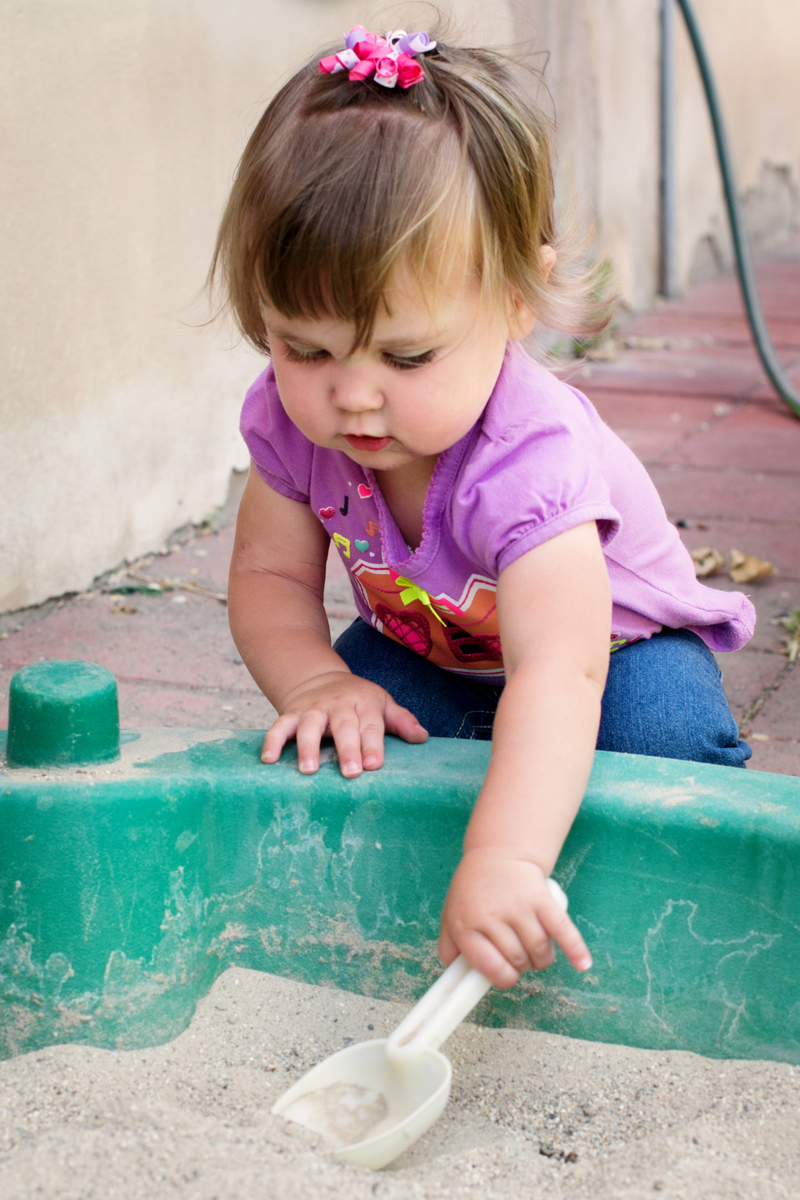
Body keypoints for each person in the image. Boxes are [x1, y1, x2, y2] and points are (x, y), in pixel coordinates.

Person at [210, 26, 755, 991]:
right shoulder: (295, 425)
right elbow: (266, 579)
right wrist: (311, 685)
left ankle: (632, 883)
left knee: (659, 749)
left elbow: (559, 671)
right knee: (346, 743)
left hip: (609, 654)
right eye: (306, 348)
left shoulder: (527, 456)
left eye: (407, 357)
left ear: (517, 299)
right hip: (439, 651)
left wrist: (503, 862)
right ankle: (460, 817)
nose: (354, 397)